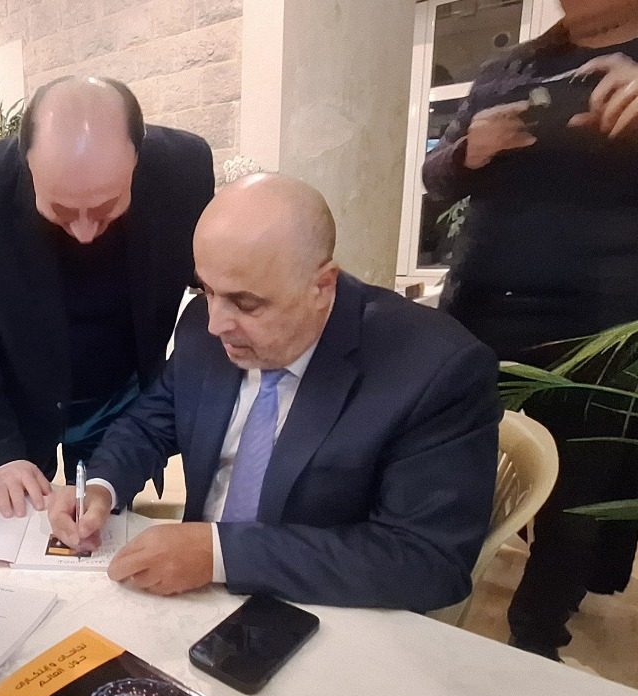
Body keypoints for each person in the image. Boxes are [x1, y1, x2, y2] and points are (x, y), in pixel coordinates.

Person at [49, 174, 500, 612]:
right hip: (188, 599)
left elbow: (427, 560)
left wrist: (220, 554)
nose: (215, 323)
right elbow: (150, 424)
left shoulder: (434, 369)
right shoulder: (203, 328)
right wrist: (102, 487)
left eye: (246, 303)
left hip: (326, 612)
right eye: (206, 290)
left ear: (322, 286)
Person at [422, 0, 638, 659]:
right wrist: (469, 150)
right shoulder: (513, 67)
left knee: (576, 496)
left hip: (601, 324)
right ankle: (428, 601)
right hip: (478, 310)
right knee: (444, 464)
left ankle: (535, 642)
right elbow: (435, 178)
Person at [0, 76, 214, 517]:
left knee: (104, 517)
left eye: (105, 209)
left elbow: (212, 282)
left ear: (137, 159)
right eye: (61, 211)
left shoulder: (184, 170)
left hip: (119, 392)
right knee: (20, 523)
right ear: (26, 163)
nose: (84, 233)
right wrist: (0, 455)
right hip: (19, 396)